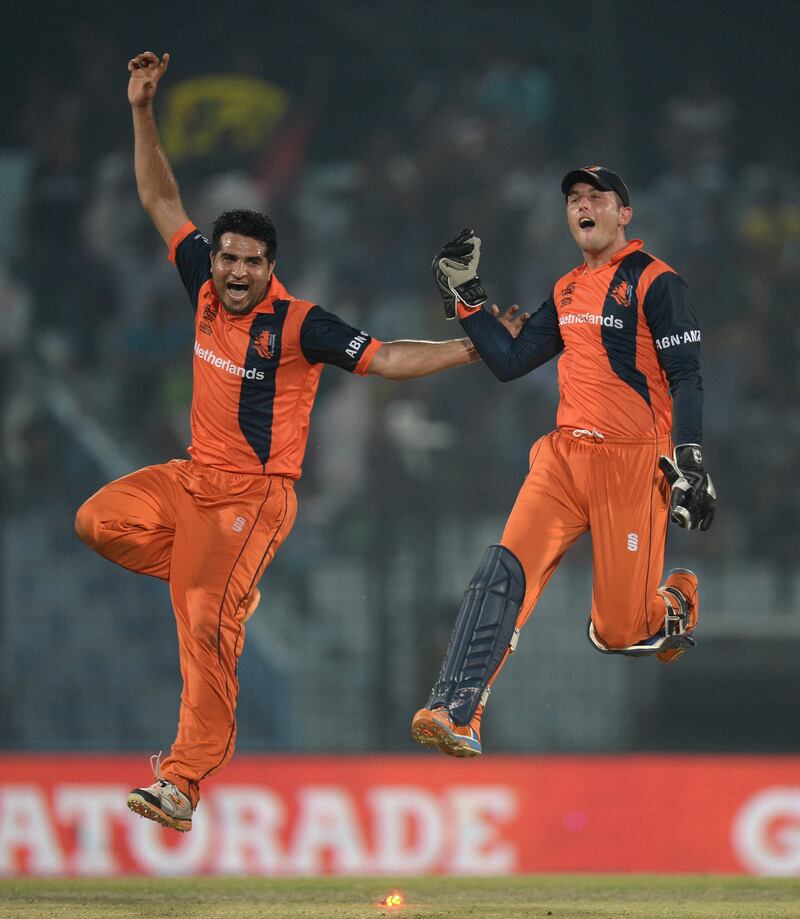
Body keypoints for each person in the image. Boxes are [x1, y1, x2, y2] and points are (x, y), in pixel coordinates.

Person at [74, 51, 481, 832]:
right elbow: (159, 195)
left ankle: (183, 782)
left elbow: (388, 357)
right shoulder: (199, 277)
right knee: (97, 521)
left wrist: (469, 346)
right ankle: (226, 587)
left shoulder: (301, 323)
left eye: (248, 263)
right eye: (225, 258)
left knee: (201, 619)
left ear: (270, 268)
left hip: (254, 497)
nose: (232, 271)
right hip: (190, 480)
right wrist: (140, 109)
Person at [412, 165, 716, 758]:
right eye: (574, 199)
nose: (583, 205)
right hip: (563, 457)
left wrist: (692, 460)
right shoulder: (568, 288)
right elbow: (511, 361)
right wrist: (466, 297)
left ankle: (674, 603)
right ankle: (456, 712)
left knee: (618, 632)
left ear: (623, 213)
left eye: (596, 197)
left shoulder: (657, 283)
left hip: (632, 466)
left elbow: (686, 376)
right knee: (504, 573)